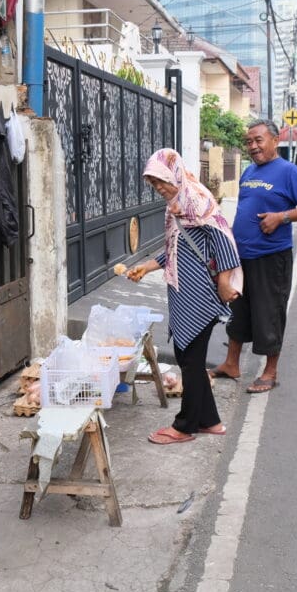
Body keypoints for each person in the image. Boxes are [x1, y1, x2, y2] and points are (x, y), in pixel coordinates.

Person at [128, 149, 243, 445]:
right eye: (154, 184)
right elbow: (175, 247)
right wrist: (147, 266)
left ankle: (185, 425)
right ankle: (210, 420)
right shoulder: (176, 205)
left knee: (190, 359)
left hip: (201, 293)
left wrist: (225, 281)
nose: (159, 188)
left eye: (162, 181)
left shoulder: (195, 199)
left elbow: (223, 239)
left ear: (174, 174)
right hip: (184, 292)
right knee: (188, 356)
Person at [210, 120, 297, 394]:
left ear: (274, 140)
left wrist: (281, 217)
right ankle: (231, 363)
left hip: (271, 258)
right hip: (241, 257)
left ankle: (270, 372)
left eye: (258, 140)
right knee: (238, 312)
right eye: (249, 142)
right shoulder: (248, 171)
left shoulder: (288, 172)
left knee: (269, 313)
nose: (253, 146)